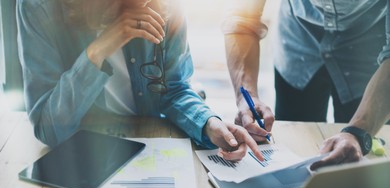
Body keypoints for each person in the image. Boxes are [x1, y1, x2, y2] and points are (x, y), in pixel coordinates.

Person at [16, 0, 263, 161]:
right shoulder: (38, 7)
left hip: (153, 136)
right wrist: (98, 51)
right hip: (88, 147)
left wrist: (209, 124)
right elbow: (48, 128)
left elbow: (174, 89)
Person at [221, 0, 390, 145]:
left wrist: (358, 134)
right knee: (294, 148)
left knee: (363, 160)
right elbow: (241, 16)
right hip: (298, 43)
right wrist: (247, 96)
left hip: (370, 51)